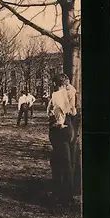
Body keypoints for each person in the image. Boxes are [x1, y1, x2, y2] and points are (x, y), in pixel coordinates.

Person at [47, 74, 75, 209]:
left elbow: (58, 109)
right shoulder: (70, 91)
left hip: (60, 128)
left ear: (56, 83)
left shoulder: (57, 94)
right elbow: (73, 111)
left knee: (60, 161)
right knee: (65, 160)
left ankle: (62, 194)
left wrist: (59, 123)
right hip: (69, 126)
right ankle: (65, 194)